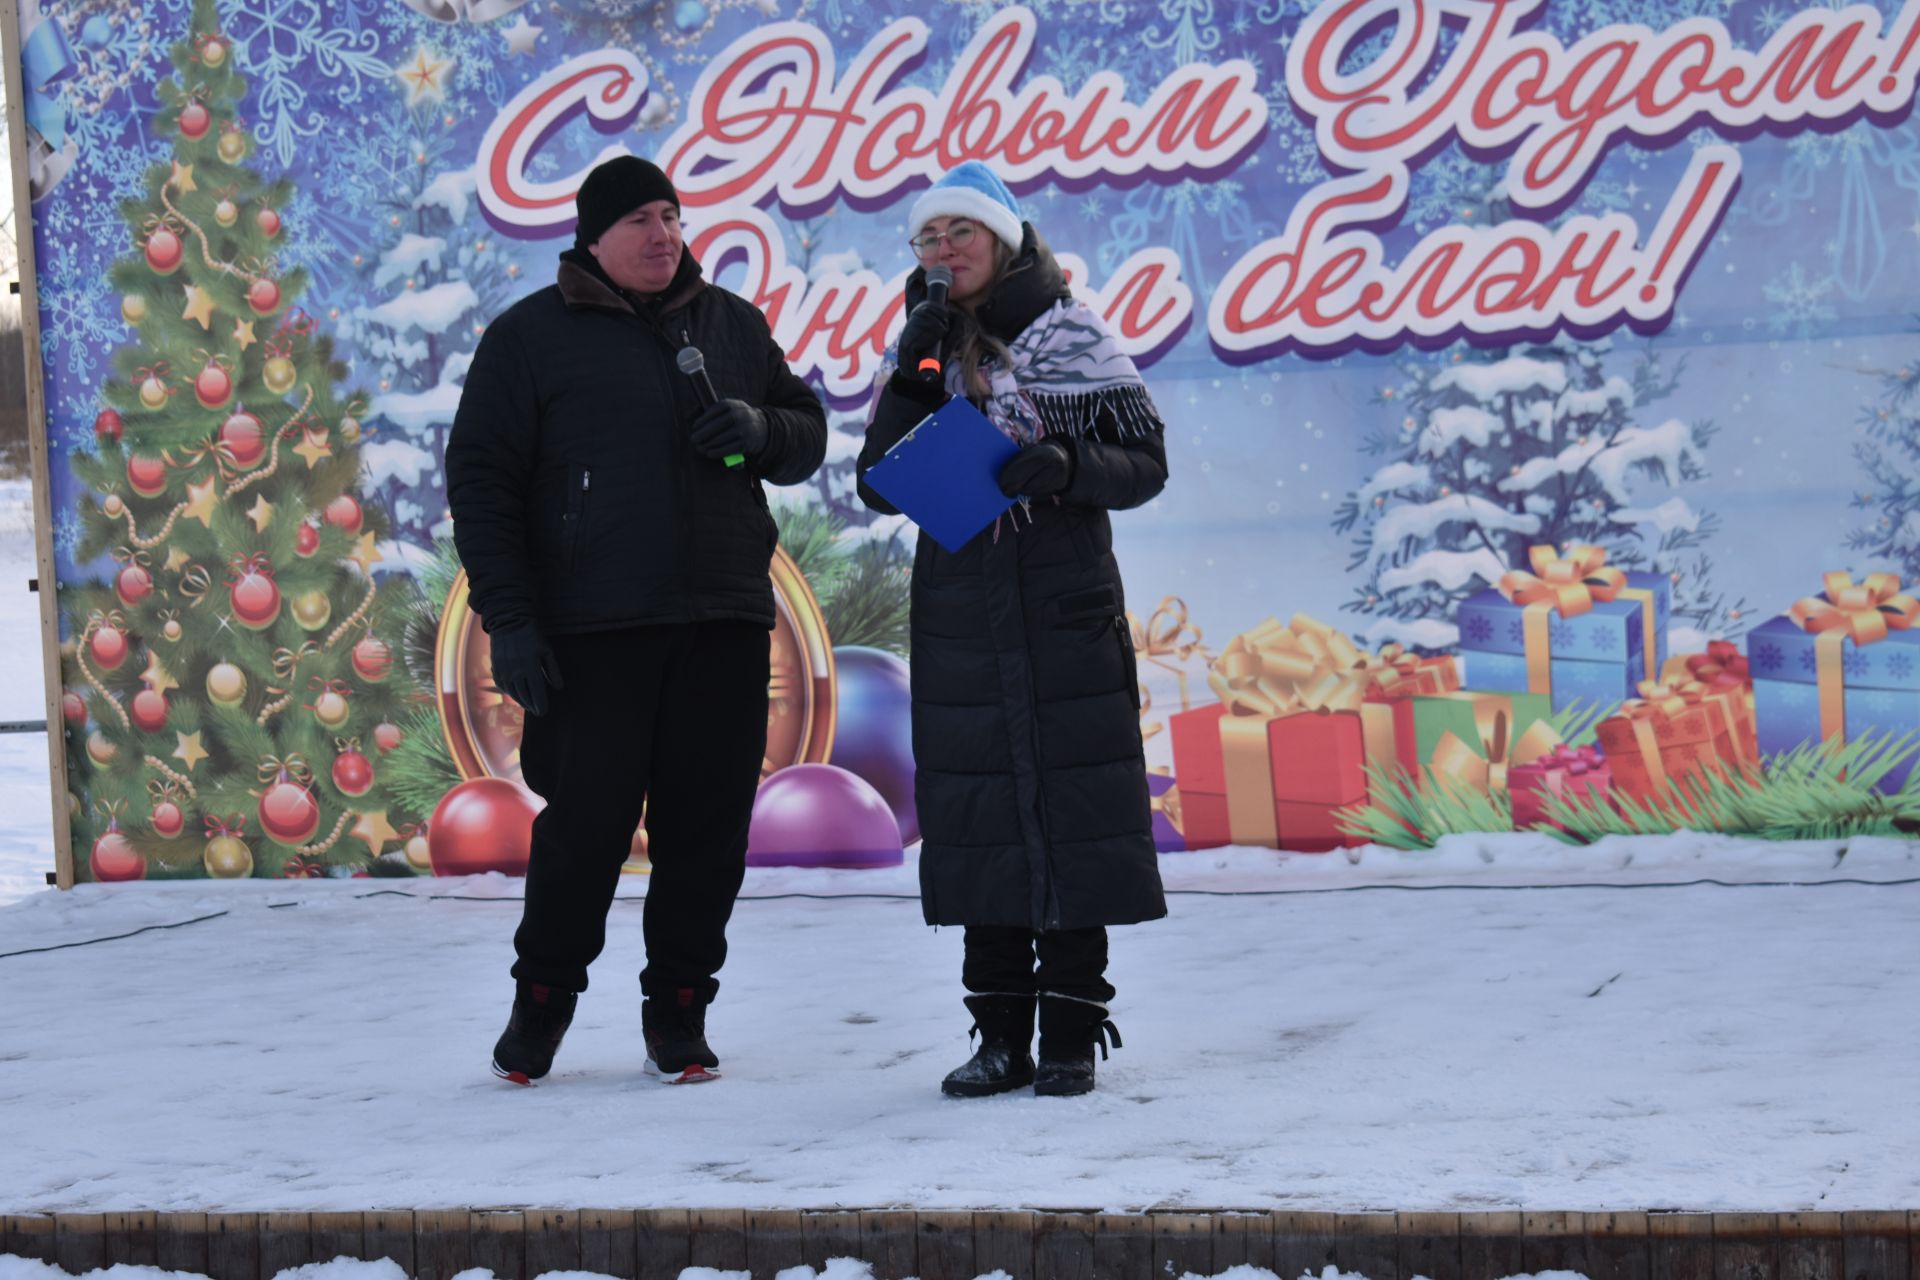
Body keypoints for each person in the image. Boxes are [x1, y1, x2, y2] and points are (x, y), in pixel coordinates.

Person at [446, 156, 827, 1086]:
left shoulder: (729, 325)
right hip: (594, 633)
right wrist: (514, 622)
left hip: (725, 623)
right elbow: (483, 488)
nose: (663, 235)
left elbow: (803, 430)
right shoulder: (530, 338)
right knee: (584, 836)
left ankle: (680, 1016)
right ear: (592, 236)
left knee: (707, 835)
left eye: (672, 216)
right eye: (640, 221)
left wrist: (758, 430)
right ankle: (539, 1010)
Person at [856, 161, 1169, 1098]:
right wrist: (918, 364)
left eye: (963, 234)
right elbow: (879, 479)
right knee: (982, 821)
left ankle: (1073, 1030)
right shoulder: (921, 344)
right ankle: (997, 1036)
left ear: (1003, 240)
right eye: (929, 238)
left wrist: (1067, 464)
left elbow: (1144, 462)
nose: (945, 252)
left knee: (1072, 816)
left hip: (1062, 605)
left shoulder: (1074, 335)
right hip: (962, 614)